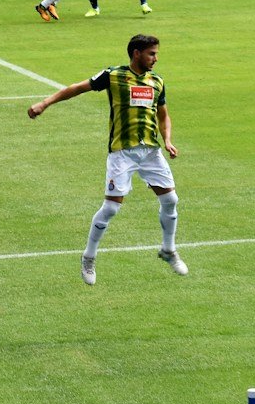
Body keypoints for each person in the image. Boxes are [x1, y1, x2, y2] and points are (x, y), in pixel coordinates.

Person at [26, 33, 186, 285]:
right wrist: (45, 103)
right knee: (111, 207)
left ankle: (168, 250)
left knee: (170, 199)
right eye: (151, 54)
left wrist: (167, 140)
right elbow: (77, 88)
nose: (155, 58)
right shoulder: (113, 76)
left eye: (156, 54)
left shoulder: (157, 81)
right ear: (136, 53)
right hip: (122, 152)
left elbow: (163, 115)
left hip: (151, 152)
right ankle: (88, 257)